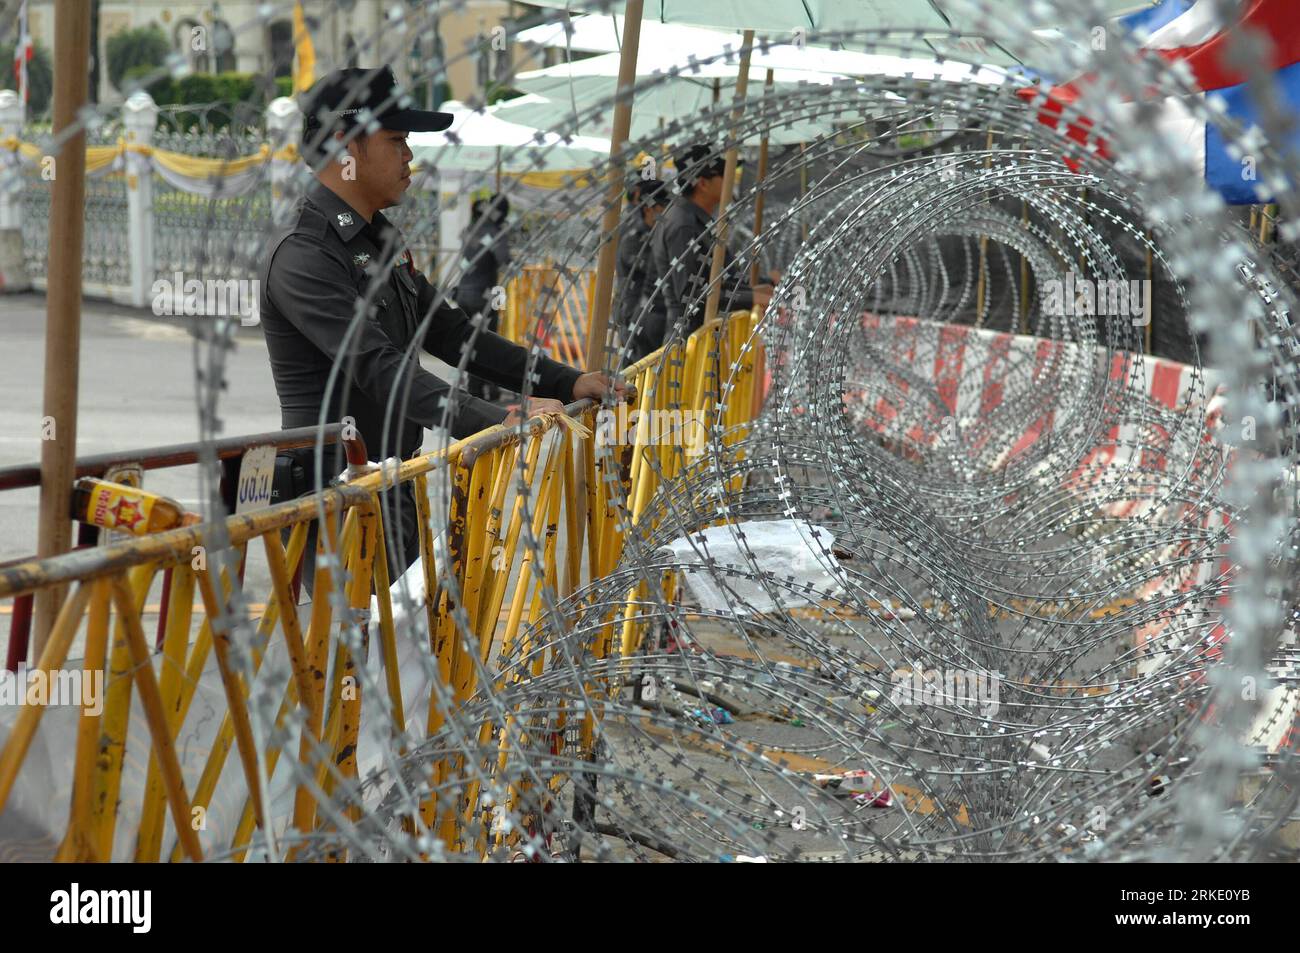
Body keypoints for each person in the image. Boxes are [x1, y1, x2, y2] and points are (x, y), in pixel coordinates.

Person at [259, 66, 625, 585]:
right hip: (329, 499)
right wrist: (494, 418)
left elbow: (454, 335)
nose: (410, 155)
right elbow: (375, 365)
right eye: (396, 140)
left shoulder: (377, 241)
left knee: (404, 654)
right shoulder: (305, 252)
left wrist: (565, 381)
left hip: (390, 482)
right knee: (345, 657)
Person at [651, 143, 773, 346]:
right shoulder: (683, 224)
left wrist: (752, 291)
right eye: (724, 175)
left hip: (700, 340)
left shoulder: (693, 219)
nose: (731, 180)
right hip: (688, 346)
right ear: (703, 183)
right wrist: (752, 298)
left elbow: (715, 281)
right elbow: (692, 295)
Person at [455, 193, 513, 403]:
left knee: (472, 341)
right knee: (487, 343)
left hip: (463, 293)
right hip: (485, 296)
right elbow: (505, 261)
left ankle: (481, 386)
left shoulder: (470, 230)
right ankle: (479, 390)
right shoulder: (495, 233)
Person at [615, 176, 669, 364]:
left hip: (649, 316)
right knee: (634, 370)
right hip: (635, 316)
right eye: (663, 208)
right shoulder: (634, 238)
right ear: (648, 209)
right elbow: (658, 270)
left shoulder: (654, 234)